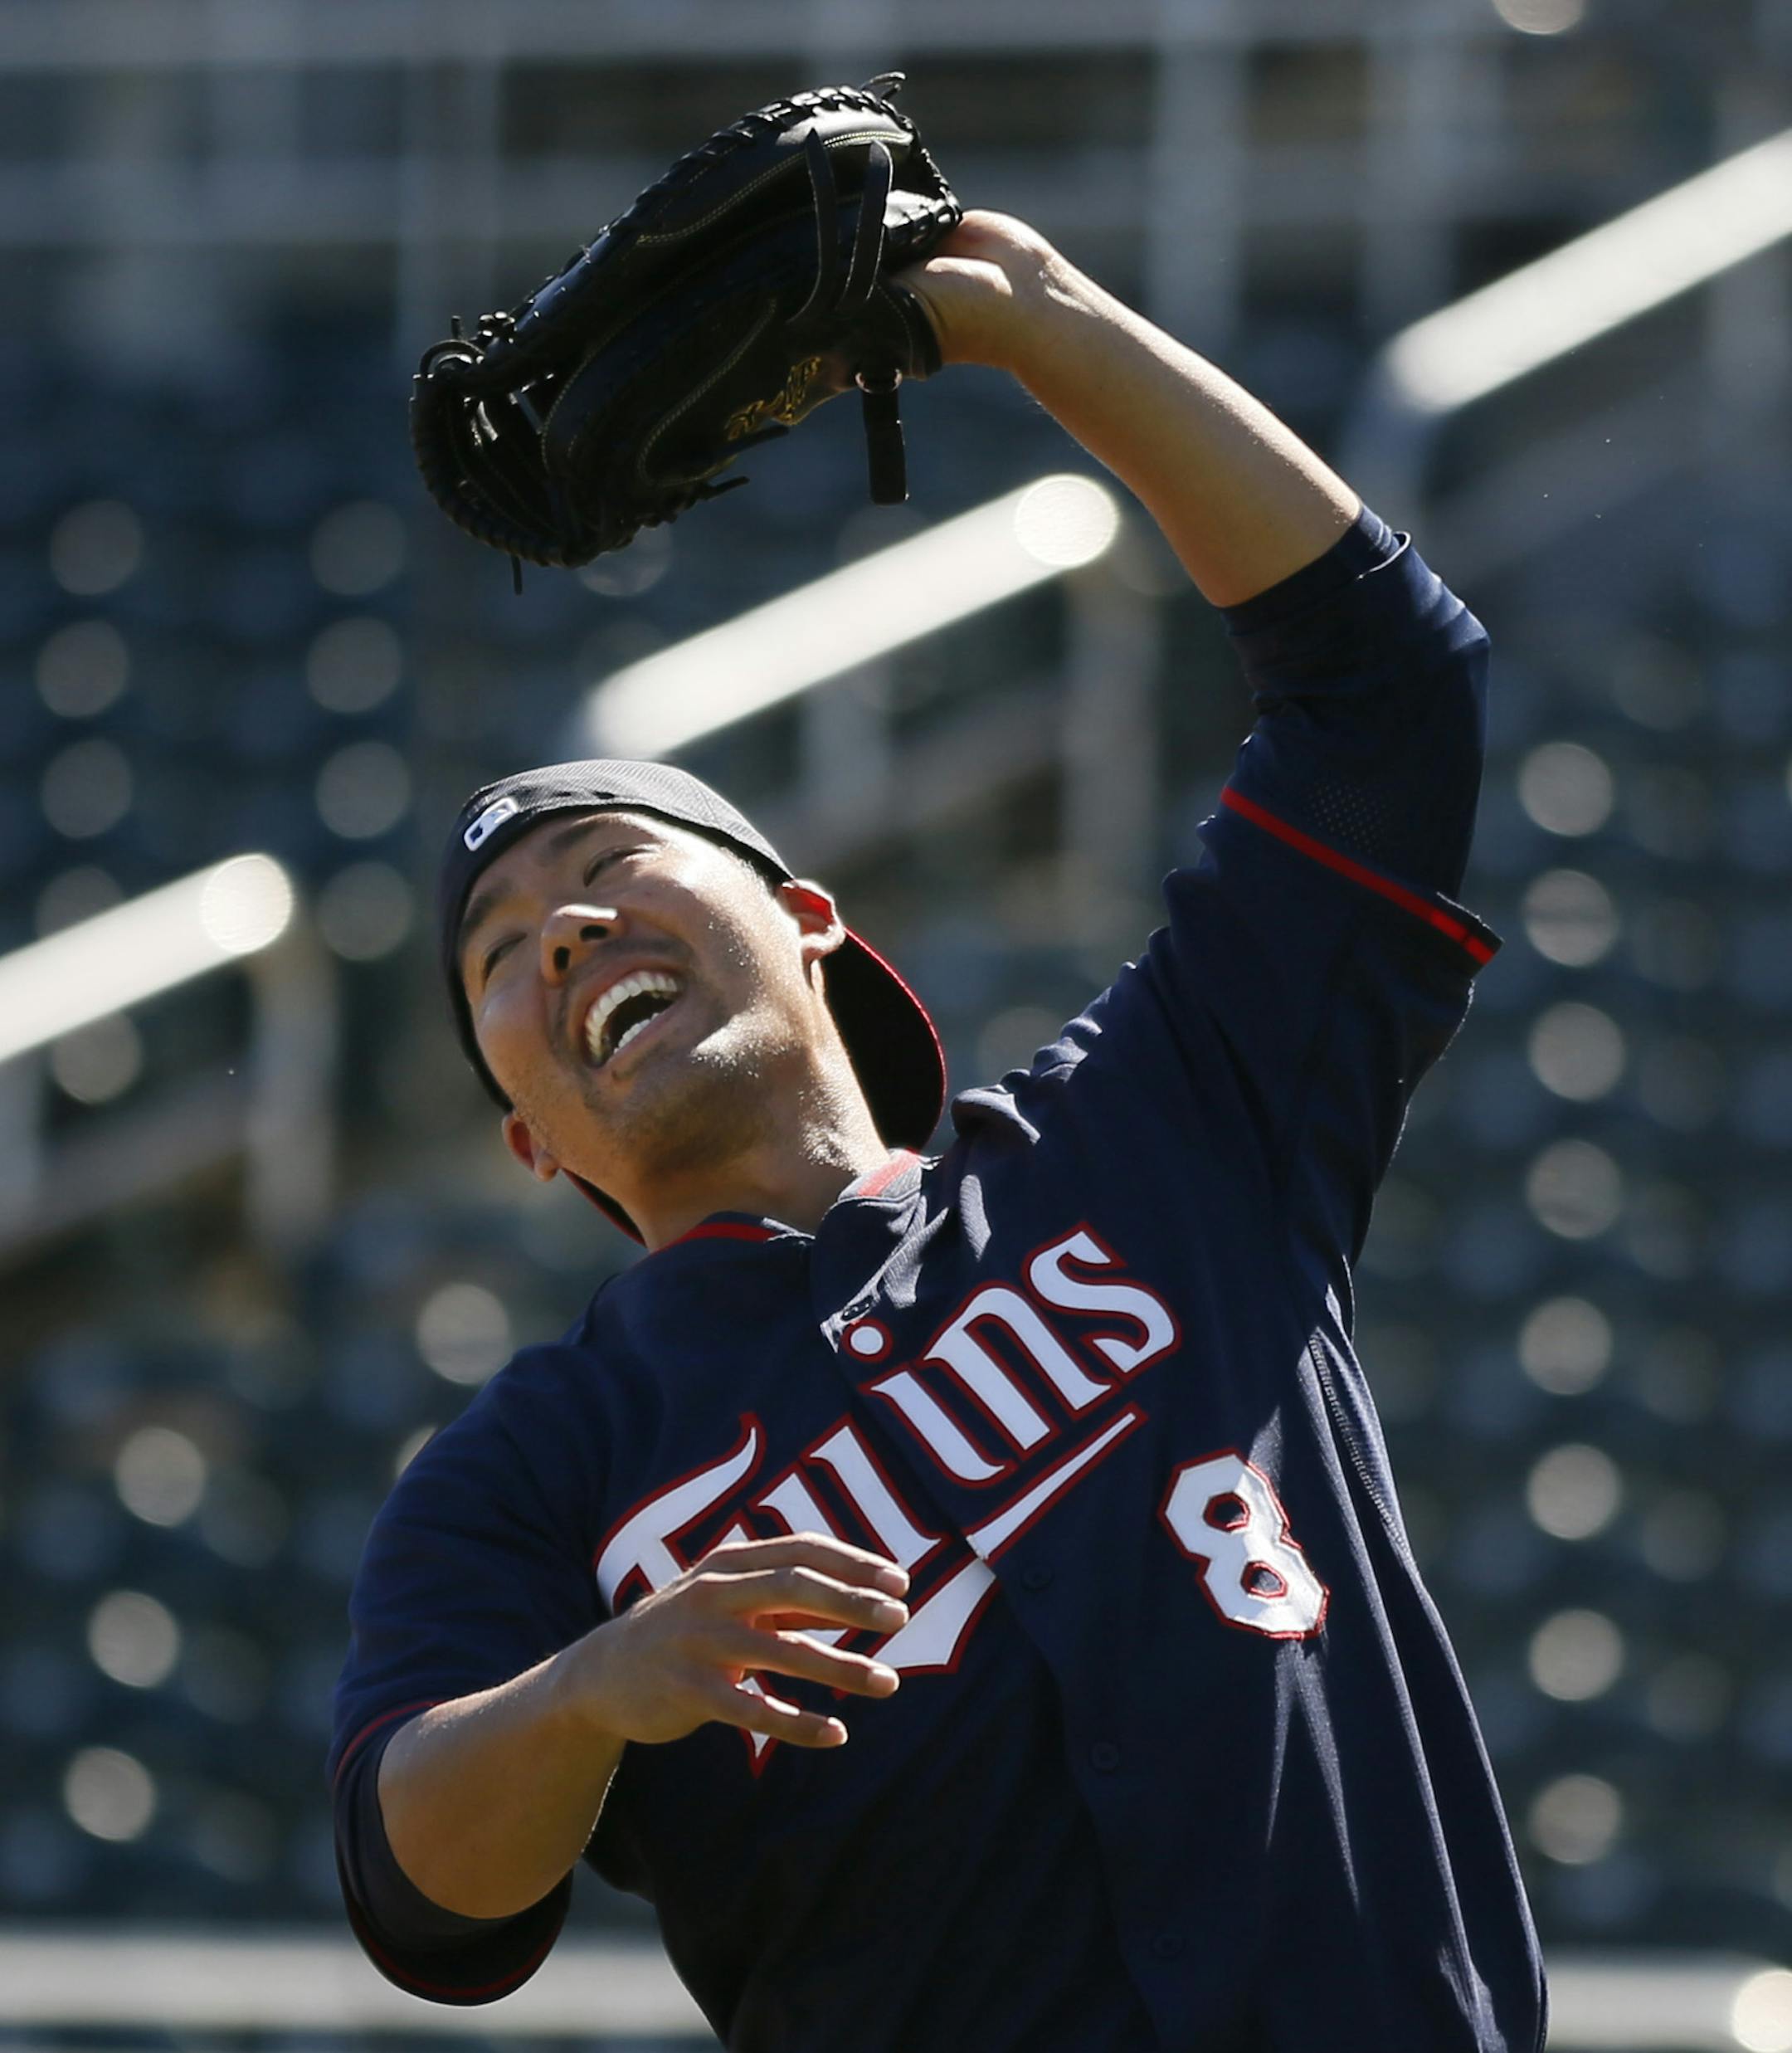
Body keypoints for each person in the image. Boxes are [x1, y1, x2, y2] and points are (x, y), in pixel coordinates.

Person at [330, 210, 1546, 2051]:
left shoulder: (1158, 1128)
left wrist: (1046, 324)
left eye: (607, 864)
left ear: (812, 916)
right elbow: (419, 1883)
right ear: (527, 1139)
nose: (564, 928)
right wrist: (592, 1691)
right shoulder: (531, 1469)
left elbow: (1388, 693)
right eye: (502, 956)